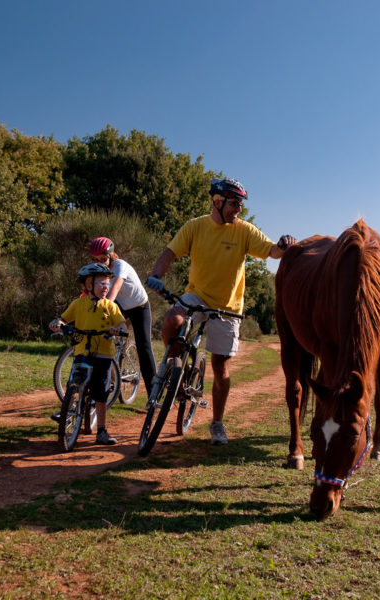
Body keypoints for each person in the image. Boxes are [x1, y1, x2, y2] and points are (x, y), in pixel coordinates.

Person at [145, 177, 296, 445]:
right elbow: (170, 252)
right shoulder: (195, 226)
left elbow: (272, 251)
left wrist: (283, 245)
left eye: (240, 204)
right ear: (218, 202)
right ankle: (173, 366)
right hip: (197, 296)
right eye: (234, 203)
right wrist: (157, 275)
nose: (238, 209)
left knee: (220, 367)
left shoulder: (245, 231)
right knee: (173, 319)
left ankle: (217, 424)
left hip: (228, 306)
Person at [50, 263, 127, 445]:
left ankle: (102, 430)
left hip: (103, 354)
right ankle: (68, 410)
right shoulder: (78, 304)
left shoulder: (111, 306)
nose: (106, 287)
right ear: (88, 285)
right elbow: (63, 318)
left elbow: (122, 323)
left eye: (108, 283)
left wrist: (118, 329)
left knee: (101, 392)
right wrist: (57, 323)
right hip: (82, 350)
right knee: (74, 383)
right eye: (101, 283)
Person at [88, 237, 157, 394]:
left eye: (103, 258)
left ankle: (153, 394)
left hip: (139, 306)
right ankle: (110, 373)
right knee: (99, 333)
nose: (99, 261)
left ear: (111, 255)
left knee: (144, 347)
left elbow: (116, 287)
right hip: (121, 305)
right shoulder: (98, 269)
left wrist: (105, 307)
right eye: (95, 259)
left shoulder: (120, 265)